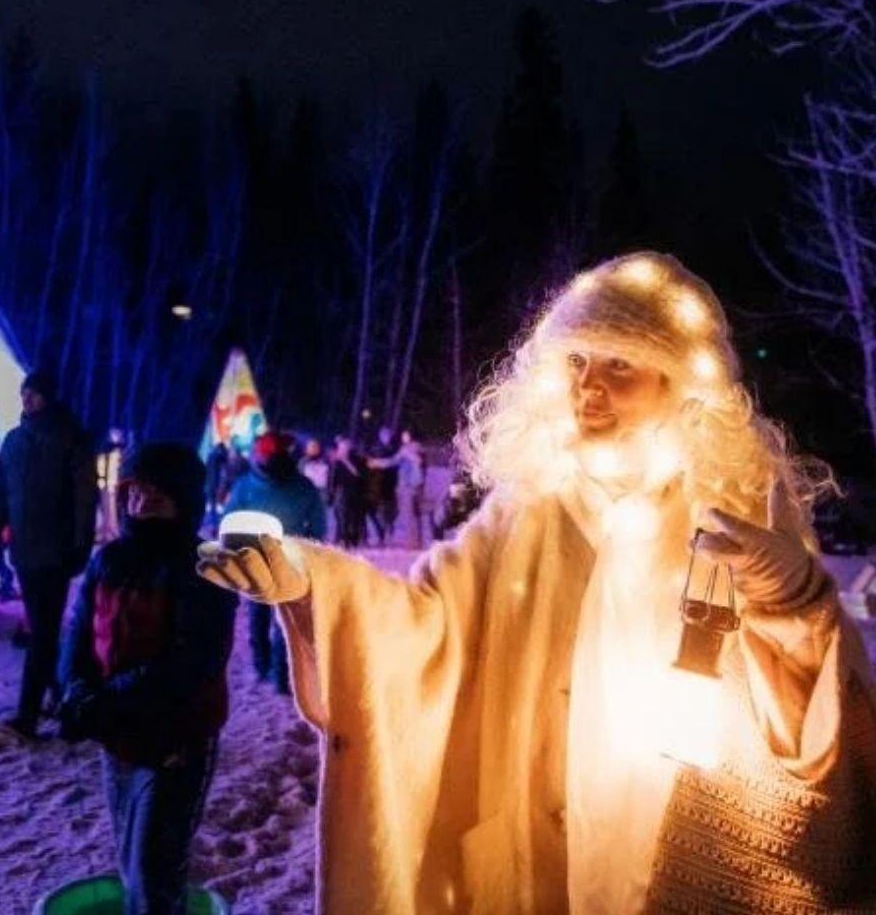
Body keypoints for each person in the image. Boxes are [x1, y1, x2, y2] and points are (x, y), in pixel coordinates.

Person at [199, 252, 876, 913]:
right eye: (577, 362)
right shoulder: (527, 514)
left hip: (674, 856)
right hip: (534, 857)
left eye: (620, 365)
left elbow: (811, 730)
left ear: (680, 384)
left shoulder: (735, 511)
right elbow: (426, 622)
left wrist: (795, 602)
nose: (590, 387)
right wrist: (314, 581)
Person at [58, 443, 237, 915]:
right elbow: (77, 635)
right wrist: (76, 690)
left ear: (181, 502)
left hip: (175, 744)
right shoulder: (110, 559)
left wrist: (107, 702)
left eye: (155, 497)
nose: (141, 506)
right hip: (119, 738)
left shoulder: (206, 568)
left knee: (153, 874)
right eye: (134, 494)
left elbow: (191, 663)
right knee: (129, 863)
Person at [0, 370, 97, 740]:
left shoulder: (70, 438)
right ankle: (64, 701)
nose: (28, 399)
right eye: (25, 393)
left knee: (43, 632)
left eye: (35, 393)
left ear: (49, 397)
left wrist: (81, 543)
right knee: (42, 631)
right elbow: (0, 492)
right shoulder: (15, 441)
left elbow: (84, 497)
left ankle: (28, 715)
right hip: (25, 552)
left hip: (56, 550)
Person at [223, 431, 325, 693]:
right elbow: (318, 526)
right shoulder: (304, 487)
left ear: (259, 456)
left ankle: (262, 667)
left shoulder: (244, 486)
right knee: (285, 622)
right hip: (291, 560)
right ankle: (282, 675)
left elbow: (229, 521)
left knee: (258, 616)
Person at [327, 436, 366, 547]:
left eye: (345, 446)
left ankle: (350, 539)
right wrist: (331, 493)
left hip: (354, 491)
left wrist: (344, 460)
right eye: (341, 447)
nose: (343, 449)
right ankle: (342, 538)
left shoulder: (355, 459)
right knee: (340, 516)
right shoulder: (335, 461)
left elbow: (357, 474)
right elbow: (331, 478)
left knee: (351, 517)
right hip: (340, 491)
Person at [365, 426, 399, 545]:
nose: (387, 437)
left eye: (388, 435)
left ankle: (385, 533)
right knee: (376, 512)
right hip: (377, 486)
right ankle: (382, 534)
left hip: (389, 486)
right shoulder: (375, 448)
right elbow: (368, 464)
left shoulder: (394, 449)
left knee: (389, 512)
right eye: (384, 435)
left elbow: (393, 464)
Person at [394, 430, 426, 549]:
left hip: (411, 486)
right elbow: (394, 461)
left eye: (405, 435)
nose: (403, 437)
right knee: (408, 515)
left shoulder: (415, 447)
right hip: (405, 485)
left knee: (411, 515)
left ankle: (414, 542)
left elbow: (419, 460)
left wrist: (407, 454)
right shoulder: (404, 449)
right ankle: (412, 541)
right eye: (403, 435)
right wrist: (377, 463)